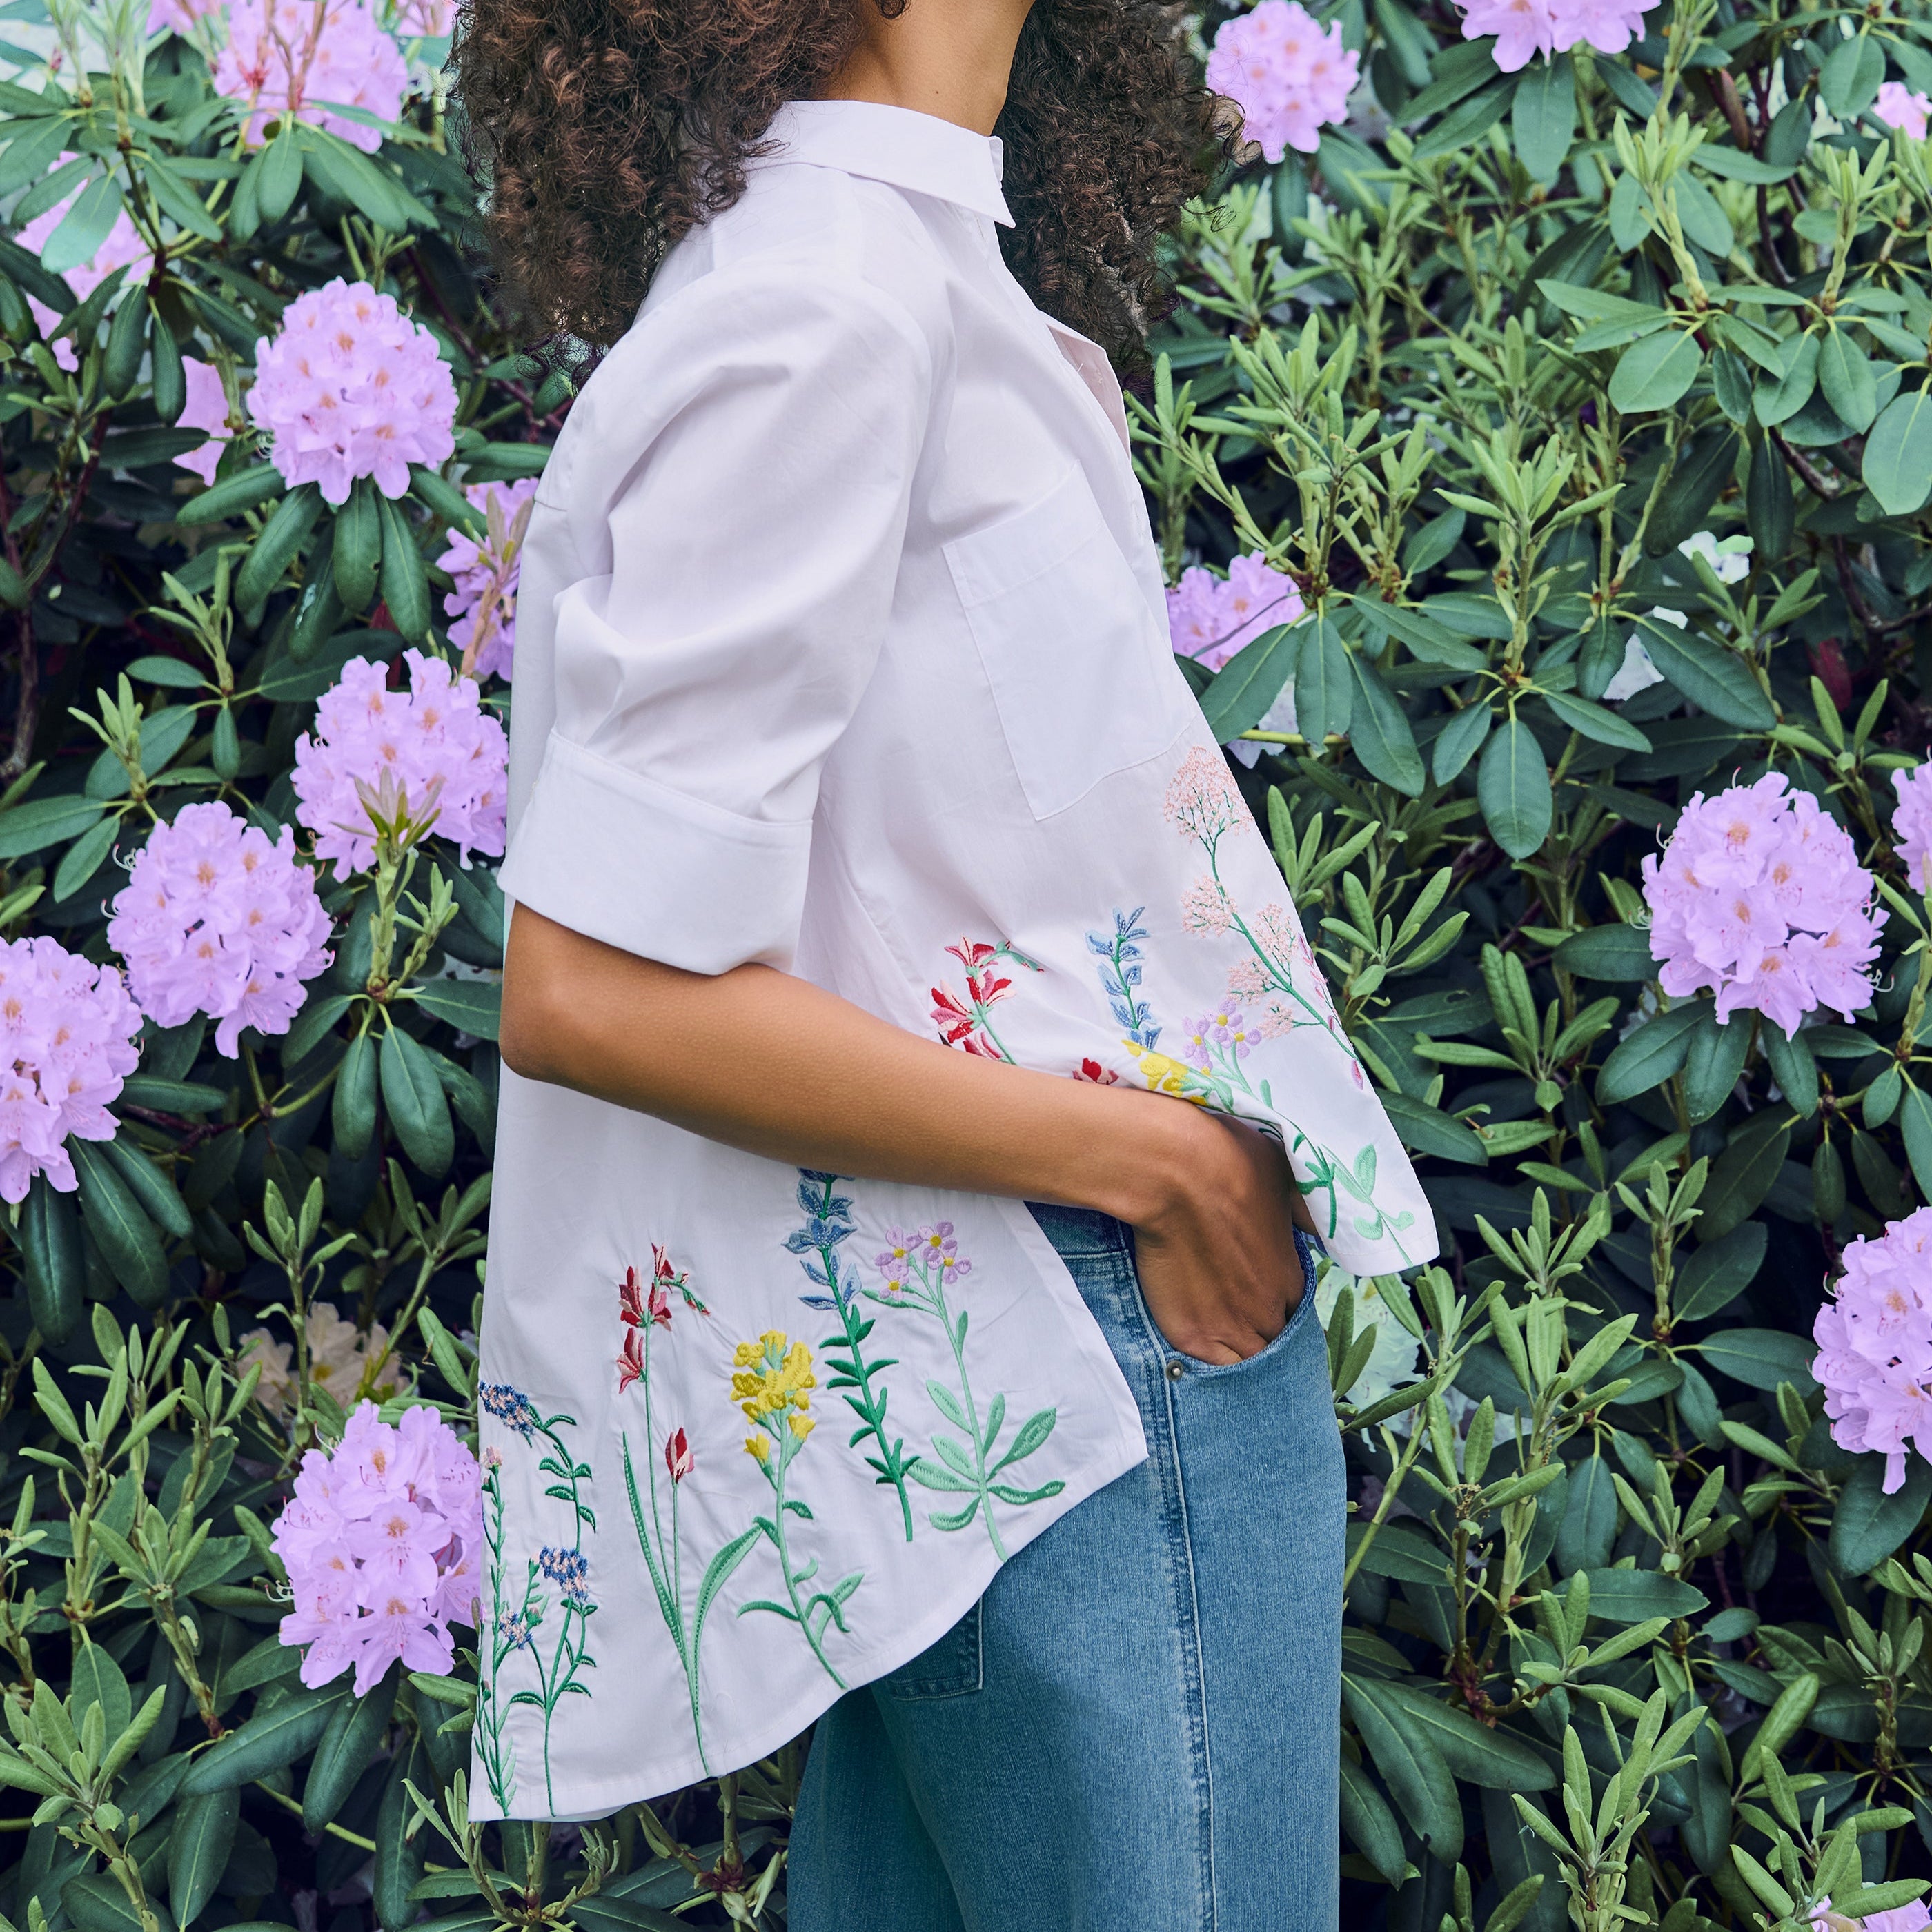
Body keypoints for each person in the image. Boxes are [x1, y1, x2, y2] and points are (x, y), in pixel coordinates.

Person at [453, 1, 1434, 1925]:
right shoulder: (827, 307)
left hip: (993, 1358)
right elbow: (592, 984)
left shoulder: (890, 268)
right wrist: (1167, 1166)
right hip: (1072, 1337)